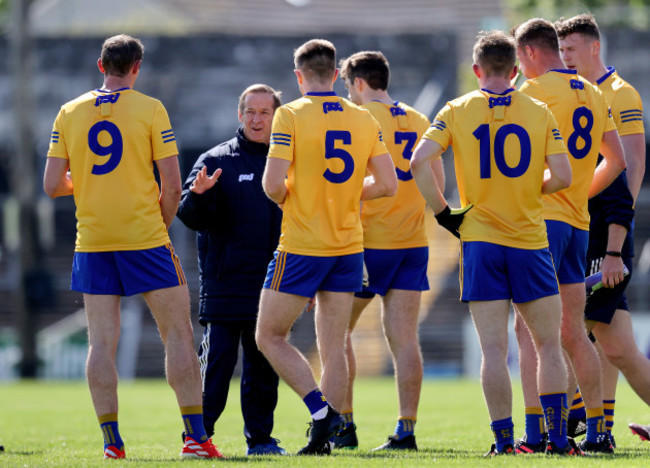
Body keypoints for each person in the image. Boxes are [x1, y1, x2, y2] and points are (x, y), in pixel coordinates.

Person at [42, 34, 222, 459]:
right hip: (145, 239)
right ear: (136, 68)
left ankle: (112, 444)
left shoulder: (69, 112)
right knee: (177, 335)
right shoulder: (150, 109)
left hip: (93, 242)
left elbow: (52, 186)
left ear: (100, 66)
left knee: (100, 344)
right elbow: (173, 186)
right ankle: (195, 439)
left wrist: (86, 182)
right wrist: (157, 227)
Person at [411, 30, 576, 456]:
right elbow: (563, 176)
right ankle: (557, 440)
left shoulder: (456, 109)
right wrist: (526, 189)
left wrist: (445, 214)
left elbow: (418, 161)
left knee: (493, 351)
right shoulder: (538, 110)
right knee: (547, 346)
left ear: (476, 70)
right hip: (528, 240)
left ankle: (504, 444)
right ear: (517, 70)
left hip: (480, 241)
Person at [254, 38, 397, 455]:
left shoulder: (291, 114)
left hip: (302, 243)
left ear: (299, 77)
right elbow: (388, 184)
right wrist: (351, 195)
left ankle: (321, 412)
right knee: (334, 347)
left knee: (268, 336)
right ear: (335, 75)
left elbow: (271, 185)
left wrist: (297, 200)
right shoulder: (362, 117)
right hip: (348, 245)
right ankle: (323, 438)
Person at [512, 18, 626, 454]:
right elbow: (616, 160)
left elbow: (515, 164)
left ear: (527, 53)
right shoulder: (594, 92)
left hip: (539, 223)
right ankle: (599, 431)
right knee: (574, 332)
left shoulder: (532, 93)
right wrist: (579, 192)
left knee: (528, 334)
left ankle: (536, 431)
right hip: (579, 224)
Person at [334, 51, 444, 451]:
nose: (349, 93)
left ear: (359, 82)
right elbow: (436, 180)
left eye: (348, 85)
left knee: (336, 331)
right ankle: (406, 429)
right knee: (404, 339)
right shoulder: (418, 118)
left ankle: (343, 425)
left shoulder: (356, 117)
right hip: (412, 243)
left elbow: (344, 179)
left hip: (367, 243)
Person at [176, 84, 286, 455]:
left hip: (271, 286)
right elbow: (188, 216)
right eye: (250, 112)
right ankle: (197, 437)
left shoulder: (288, 161)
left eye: (264, 112)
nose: (257, 119)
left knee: (262, 369)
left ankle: (261, 440)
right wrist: (199, 196)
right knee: (217, 365)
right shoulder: (216, 159)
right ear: (240, 115)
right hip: (225, 284)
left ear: (277, 116)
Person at [555, 12, 649, 443]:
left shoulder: (619, 93)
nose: (565, 57)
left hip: (606, 231)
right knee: (603, 336)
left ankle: (582, 418)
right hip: (581, 228)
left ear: (594, 47)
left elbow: (630, 165)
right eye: (561, 50)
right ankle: (598, 425)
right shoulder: (574, 93)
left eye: (571, 49)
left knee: (606, 340)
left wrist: (618, 237)